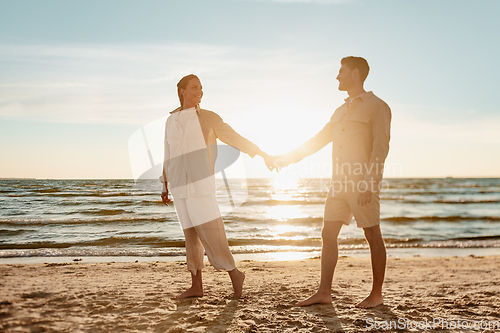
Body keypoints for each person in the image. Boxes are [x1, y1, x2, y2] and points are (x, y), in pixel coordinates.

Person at [274, 57, 391, 308]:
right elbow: (317, 141)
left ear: (356, 74)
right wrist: (287, 158)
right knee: (328, 233)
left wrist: (370, 183)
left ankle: (376, 295)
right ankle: (324, 292)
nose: (337, 77)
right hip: (338, 183)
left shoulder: (377, 106)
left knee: (372, 233)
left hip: (362, 181)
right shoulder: (340, 111)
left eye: (341, 71)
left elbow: (380, 148)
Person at [161, 74, 273, 299]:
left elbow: (233, 137)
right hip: (179, 185)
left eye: (201, 88)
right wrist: (164, 183)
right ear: (182, 91)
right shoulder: (170, 120)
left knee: (213, 234)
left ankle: (235, 274)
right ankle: (197, 286)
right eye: (194, 88)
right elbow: (168, 153)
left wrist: (260, 153)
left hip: (201, 184)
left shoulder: (209, 118)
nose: (199, 92)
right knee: (190, 236)